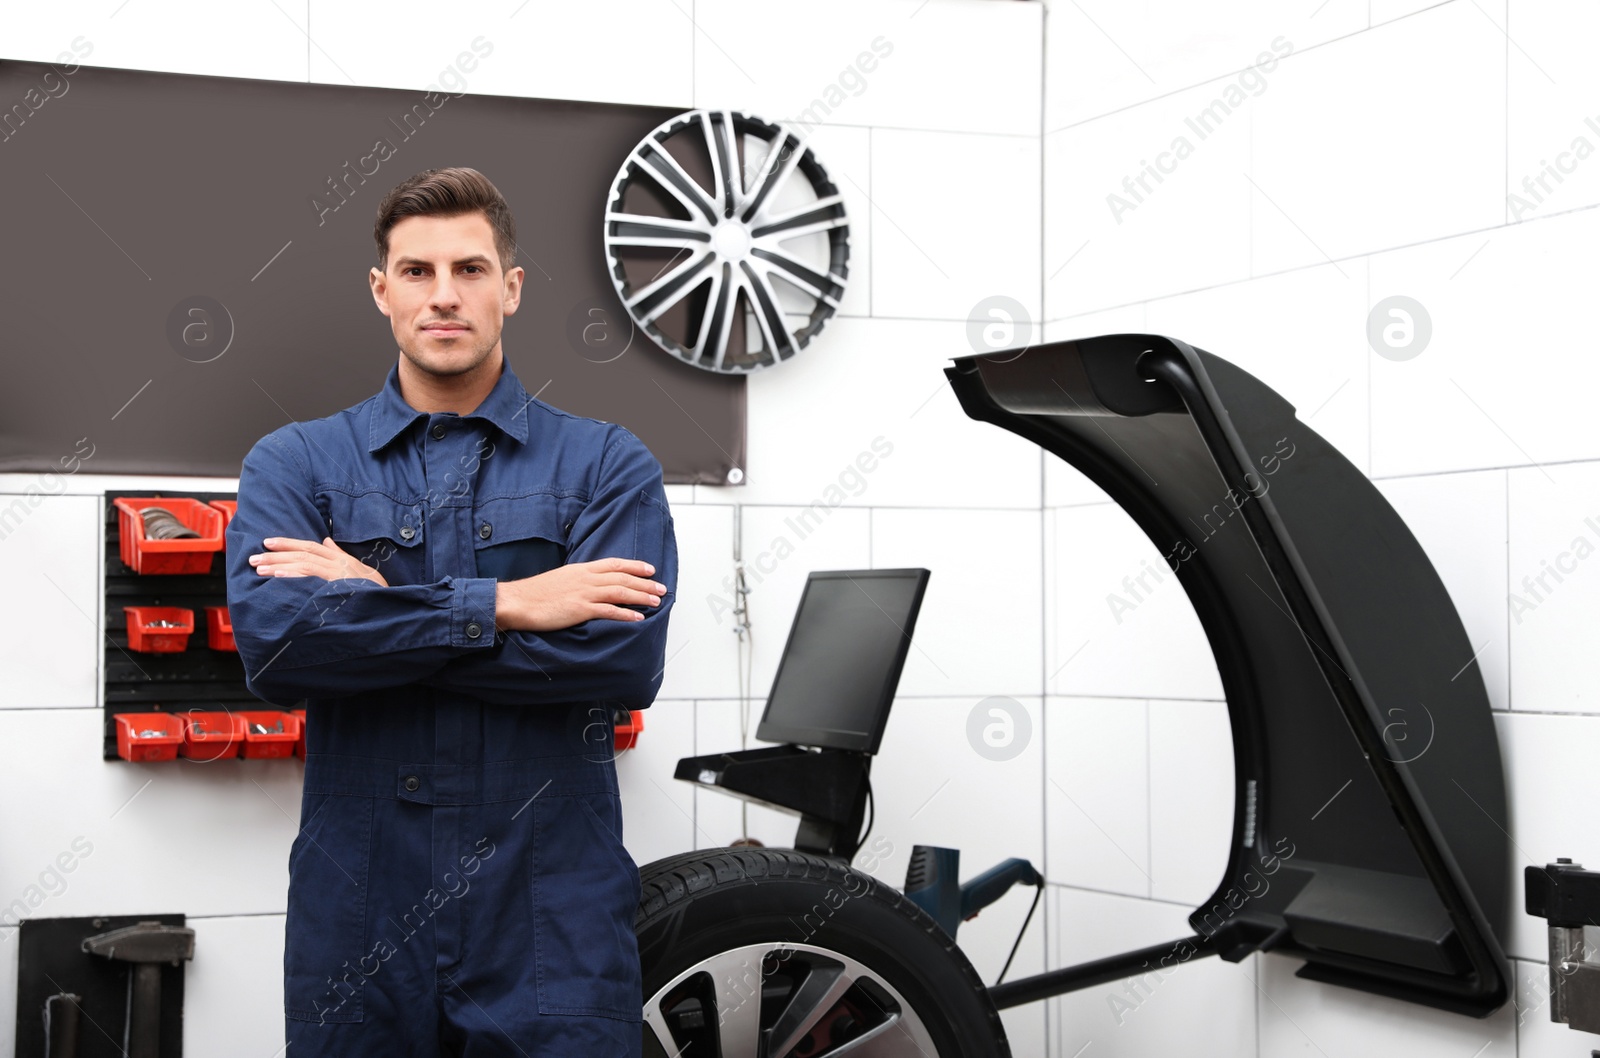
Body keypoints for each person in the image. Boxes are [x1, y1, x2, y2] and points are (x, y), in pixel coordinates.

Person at [223, 166, 677, 1057]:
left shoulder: (607, 466)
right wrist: (507, 604)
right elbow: (279, 652)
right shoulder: (296, 465)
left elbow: (620, 664)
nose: (444, 296)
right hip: (359, 909)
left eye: (470, 270)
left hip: (552, 911)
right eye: (418, 272)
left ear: (509, 289)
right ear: (381, 290)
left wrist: (378, 609)